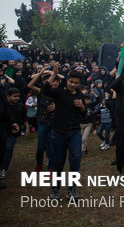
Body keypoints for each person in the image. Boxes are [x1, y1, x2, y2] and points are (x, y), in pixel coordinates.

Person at [43, 63, 86, 199]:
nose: (73, 84)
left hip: (74, 132)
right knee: (58, 161)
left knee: (75, 160)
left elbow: (84, 116)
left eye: (76, 83)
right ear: (67, 79)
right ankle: (55, 190)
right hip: (59, 131)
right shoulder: (60, 92)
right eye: (71, 81)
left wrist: (82, 107)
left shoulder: (80, 96)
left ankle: (72, 190)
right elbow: (46, 90)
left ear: (79, 83)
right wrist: (54, 74)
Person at [0, 88, 26, 179]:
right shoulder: (4, 105)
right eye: (14, 96)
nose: (16, 98)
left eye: (18, 97)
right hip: (3, 129)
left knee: (8, 149)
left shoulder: (20, 106)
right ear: (7, 96)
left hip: (13, 131)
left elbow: (24, 118)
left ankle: (3, 168)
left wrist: (26, 128)